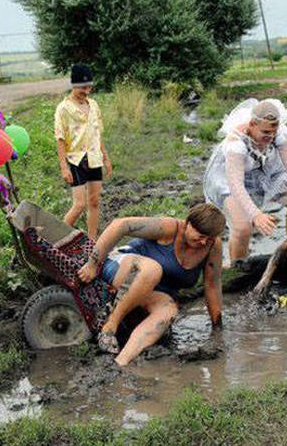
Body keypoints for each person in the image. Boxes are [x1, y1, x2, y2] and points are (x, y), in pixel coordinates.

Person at [77, 203, 225, 366]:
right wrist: (92, 263)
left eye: (209, 238)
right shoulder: (170, 228)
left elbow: (212, 285)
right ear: (188, 223)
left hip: (152, 291)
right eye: (201, 235)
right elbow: (121, 224)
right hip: (124, 268)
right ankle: (110, 326)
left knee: (169, 310)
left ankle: (121, 361)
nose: (204, 242)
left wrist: (217, 327)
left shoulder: (212, 246)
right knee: (153, 270)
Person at [203, 99, 287, 264]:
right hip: (227, 178)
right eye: (265, 132)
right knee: (243, 227)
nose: (270, 136)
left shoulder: (279, 133)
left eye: (273, 132)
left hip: (264, 169)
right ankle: (238, 269)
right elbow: (236, 184)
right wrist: (256, 214)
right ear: (252, 125)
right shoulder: (236, 143)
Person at [54, 63, 112, 240]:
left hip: (94, 158)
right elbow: (60, 138)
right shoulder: (63, 108)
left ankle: (92, 242)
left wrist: (106, 158)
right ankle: (56, 238)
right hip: (75, 160)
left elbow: (97, 133)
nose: (87, 91)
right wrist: (64, 167)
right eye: (82, 88)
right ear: (73, 85)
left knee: (94, 201)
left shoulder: (93, 105)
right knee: (79, 204)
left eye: (89, 87)